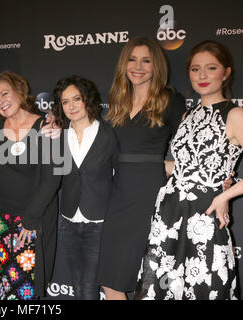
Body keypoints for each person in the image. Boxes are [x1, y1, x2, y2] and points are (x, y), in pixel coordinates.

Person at [135, 40, 243, 300]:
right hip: (169, 214)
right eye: (195, 69)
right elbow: (181, 167)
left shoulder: (235, 114)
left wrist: (224, 196)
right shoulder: (186, 116)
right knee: (160, 289)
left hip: (205, 216)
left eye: (211, 68)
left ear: (226, 72)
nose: (202, 76)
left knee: (206, 286)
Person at [96, 36, 186, 300]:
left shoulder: (170, 99)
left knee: (145, 283)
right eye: (132, 59)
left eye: (146, 60)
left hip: (149, 193)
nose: (138, 66)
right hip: (117, 192)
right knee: (110, 279)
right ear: (124, 64)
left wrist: (171, 163)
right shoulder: (118, 101)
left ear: (156, 65)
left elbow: (190, 142)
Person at [0, 71, 62, 300]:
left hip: (28, 222)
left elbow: (52, 179)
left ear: (19, 90)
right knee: (4, 283)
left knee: (24, 289)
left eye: (5, 93)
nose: (1, 102)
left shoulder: (45, 126)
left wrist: (30, 219)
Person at [51, 75, 118, 300]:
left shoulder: (107, 134)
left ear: (87, 100)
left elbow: (120, 177)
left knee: (88, 287)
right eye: (65, 101)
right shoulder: (59, 136)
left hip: (98, 223)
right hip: (68, 220)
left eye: (76, 99)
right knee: (77, 284)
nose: (71, 106)